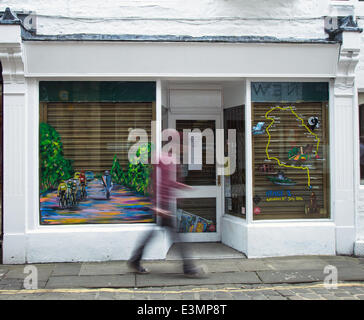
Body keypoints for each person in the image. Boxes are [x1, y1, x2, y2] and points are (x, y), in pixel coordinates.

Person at [127, 150, 205, 278]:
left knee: (155, 234)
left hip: (165, 204)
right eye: (181, 144)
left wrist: (182, 186)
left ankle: (135, 260)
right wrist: (157, 206)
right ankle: (189, 268)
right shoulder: (163, 160)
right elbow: (157, 183)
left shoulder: (172, 159)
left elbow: (168, 182)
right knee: (177, 236)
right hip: (162, 205)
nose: (183, 147)